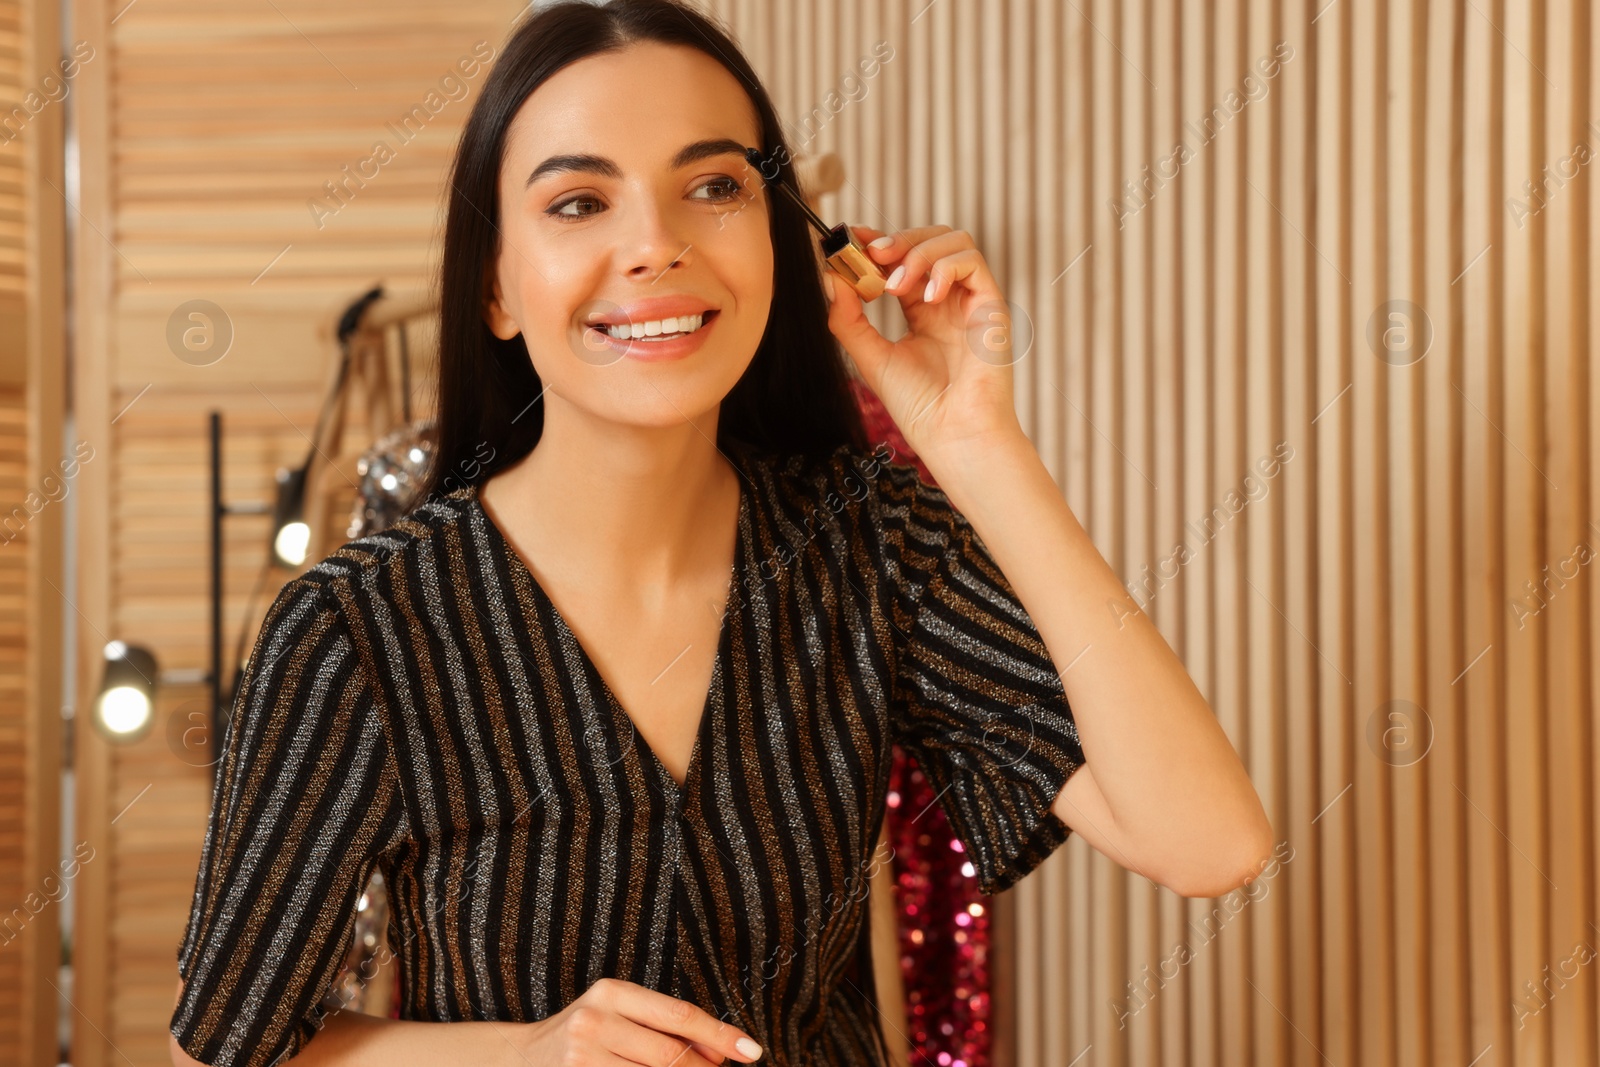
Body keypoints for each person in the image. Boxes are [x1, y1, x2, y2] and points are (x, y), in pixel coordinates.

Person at [169, 2, 1273, 1065]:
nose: (655, 244)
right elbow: (218, 1049)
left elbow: (1207, 842)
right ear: (497, 284)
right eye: (577, 202)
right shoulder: (360, 629)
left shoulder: (872, 543)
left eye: (711, 186)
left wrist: (976, 440)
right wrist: (525, 1051)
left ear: (783, 239)